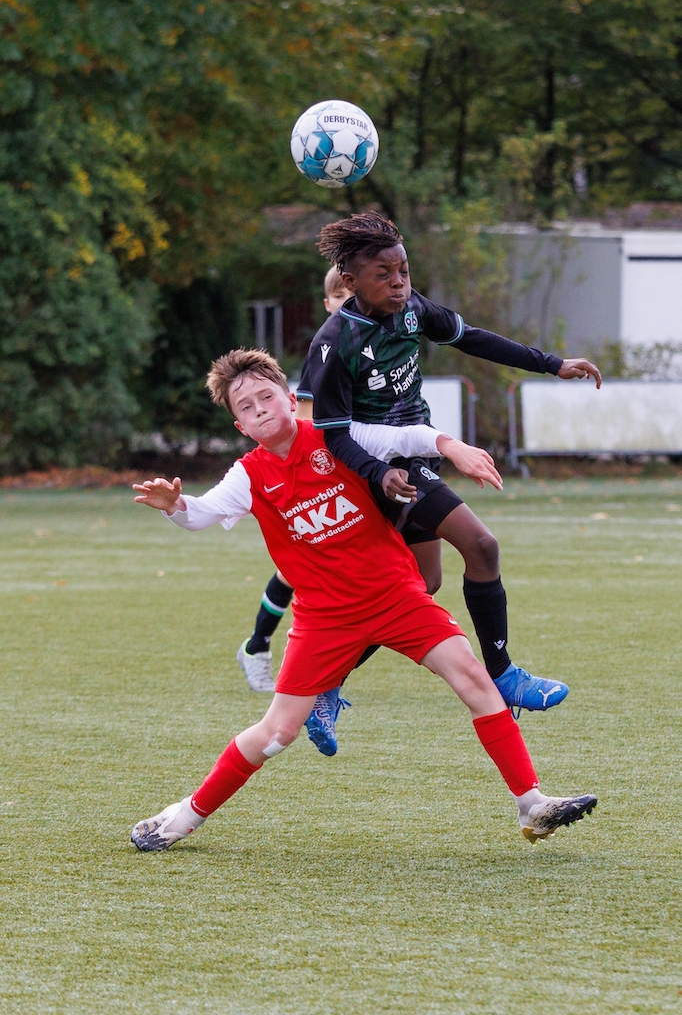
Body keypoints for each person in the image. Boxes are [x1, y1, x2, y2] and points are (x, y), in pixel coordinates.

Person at [130, 348, 597, 852]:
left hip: (397, 598)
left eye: (267, 396)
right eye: (247, 407)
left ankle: (531, 803)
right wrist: (175, 505)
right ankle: (184, 816)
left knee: (474, 679)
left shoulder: (336, 437)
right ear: (240, 426)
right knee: (277, 733)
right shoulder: (249, 475)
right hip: (324, 619)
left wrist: (454, 447)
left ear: (290, 398)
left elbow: (407, 437)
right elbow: (200, 513)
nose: (260, 408)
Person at [301, 211, 603, 730]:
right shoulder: (334, 344)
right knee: (481, 545)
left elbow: (473, 338)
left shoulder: (412, 309)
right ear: (349, 281)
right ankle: (503, 674)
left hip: (416, 458)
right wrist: (377, 473)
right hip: (376, 470)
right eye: (383, 275)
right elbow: (332, 435)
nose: (399, 284)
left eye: (404, 271)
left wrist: (551, 363)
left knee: (422, 582)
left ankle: (325, 683)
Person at [235, 266, 350, 693]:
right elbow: (302, 420)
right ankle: (260, 646)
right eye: (340, 296)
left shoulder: (374, 343)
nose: (348, 304)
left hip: (357, 473)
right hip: (319, 475)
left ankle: (313, 668)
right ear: (327, 304)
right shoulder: (325, 350)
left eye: (354, 296)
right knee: (296, 571)